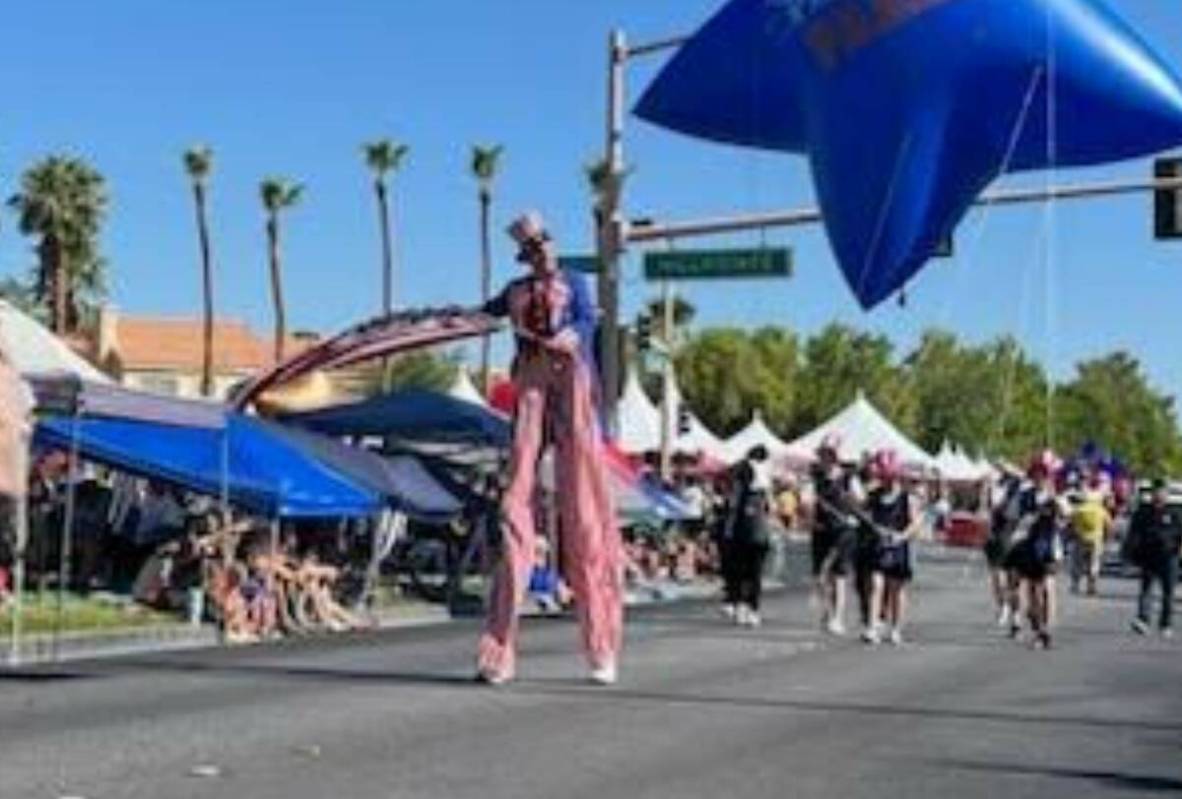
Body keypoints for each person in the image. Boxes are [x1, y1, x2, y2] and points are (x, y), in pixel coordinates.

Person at [475, 211, 623, 686]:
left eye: (545, 243)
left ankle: (601, 647)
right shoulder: (515, 291)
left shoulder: (575, 283)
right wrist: (449, 320)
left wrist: (571, 336)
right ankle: (498, 652)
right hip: (532, 384)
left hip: (571, 382)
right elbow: (485, 313)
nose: (541, 251)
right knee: (515, 498)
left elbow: (584, 320)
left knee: (584, 512)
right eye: (533, 247)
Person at [1007, 452, 1065, 649]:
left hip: (1050, 547)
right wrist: (1027, 518)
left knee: (1046, 588)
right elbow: (1013, 517)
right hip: (1030, 546)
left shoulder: (1055, 497)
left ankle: (1045, 629)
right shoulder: (1024, 496)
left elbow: (1065, 519)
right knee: (1032, 590)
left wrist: (1056, 505)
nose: (1040, 478)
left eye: (1044, 475)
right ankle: (1039, 625)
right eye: (1036, 475)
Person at [863, 450, 920, 646]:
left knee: (896, 589)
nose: (888, 480)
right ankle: (872, 626)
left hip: (898, 547)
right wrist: (873, 528)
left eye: (891, 476)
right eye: (884, 476)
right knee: (876, 584)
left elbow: (915, 524)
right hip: (878, 545)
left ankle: (896, 628)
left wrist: (901, 536)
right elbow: (865, 516)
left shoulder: (907, 498)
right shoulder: (873, 495)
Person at [810, 434, 862, 636]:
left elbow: (860, 500)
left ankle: (837, 618)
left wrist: (851, 510)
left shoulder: (848, 478)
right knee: (820, 576)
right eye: (823, 453)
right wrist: (810, 515)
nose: (825, 457)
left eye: (829, 454)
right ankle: (828, 611)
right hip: (821, 530)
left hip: (843, 531)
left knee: (839, 575)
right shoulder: (816, 477)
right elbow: (808, 502)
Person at [1126, 479, 1181, 638]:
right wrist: (1131, 552)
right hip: (1149, 555)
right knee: (1146, 589)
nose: (1158, 495)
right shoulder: (1143, 511)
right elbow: (1134, 533)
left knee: (1168, 593)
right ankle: (1143, 620)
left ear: (1167, 494)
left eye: (1161, 492)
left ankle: (1166, 624)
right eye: (1155, 492)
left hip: (1169, 556)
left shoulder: (1175, 512)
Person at [727, 445, 773, 627]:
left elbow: (733, 506)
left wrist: (729, 530)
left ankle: (742, 607)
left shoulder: (742, 480)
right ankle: (751, 608)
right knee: (754, 573)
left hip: (743, 531)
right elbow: (770, 509)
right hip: (757, 532)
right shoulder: (762, 483)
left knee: (740, 571)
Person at [985, 471, 1024, 627]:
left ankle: (1014, 613)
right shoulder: (996, 496)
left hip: (1013, 543)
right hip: (996, 542)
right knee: (998, 580)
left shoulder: (1017, 500)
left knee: (1013, 582)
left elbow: (1012, 517)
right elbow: (988, 514)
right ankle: (1003, 608)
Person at [1069, 481, 1111, 596]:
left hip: (1080, 539)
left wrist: (1071, 536)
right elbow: (1108, 525)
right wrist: (1106, 538)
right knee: (1094, 563)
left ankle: (1075, 584)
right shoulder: (1101, 510)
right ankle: (1091, 586)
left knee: (1077, 563)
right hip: (1096, 539)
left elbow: (1070, 524)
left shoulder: (1078, 509)